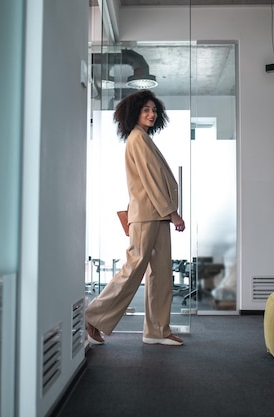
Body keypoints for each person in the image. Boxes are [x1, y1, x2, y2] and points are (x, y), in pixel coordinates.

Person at [85, 90, 186, 346]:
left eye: (154, 110)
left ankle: (157, 330)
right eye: (146, 110)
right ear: (135, 114)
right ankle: (92, 317)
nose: (151, 114)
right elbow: (151, 182)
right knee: (134, 269)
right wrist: (172, 213)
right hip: (147, 216)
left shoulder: (143, 138)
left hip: (156, 216)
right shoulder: (137, 139)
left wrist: (167, 213)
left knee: (160, 273)